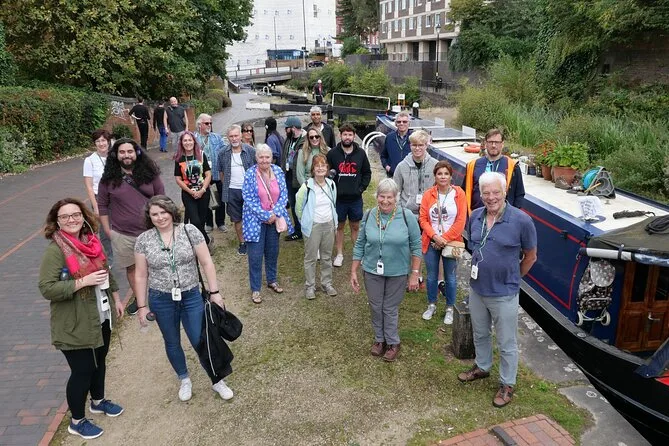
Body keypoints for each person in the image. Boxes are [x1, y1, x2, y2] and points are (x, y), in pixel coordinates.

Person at [38, 198, 124, 440]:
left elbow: (106, 272)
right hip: (74, 322)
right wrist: (82, 282)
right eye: (64, 216)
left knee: (99, 361)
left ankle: (98, 401)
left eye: (76, 214)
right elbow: (47, 288)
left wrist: (117, 298)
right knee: (82, 370)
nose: (71, 220)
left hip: (100, 314)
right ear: (57, 222)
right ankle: (77, 421)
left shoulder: (91, 241)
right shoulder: (56, 251)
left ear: (84, 216)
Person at [134, 196, 233, 402]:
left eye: (163, 212)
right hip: (161, 298)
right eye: (154, 214)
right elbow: (141, 275)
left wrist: (215, 292)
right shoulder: (143, 240)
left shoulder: (190, 231)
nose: (160, 217)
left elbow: (207, 262)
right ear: (149, 217)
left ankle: (216, 379)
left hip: (190, 296)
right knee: (172, 341)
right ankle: (184, 378)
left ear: (172, 212)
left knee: (200, 338)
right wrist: (142, 306)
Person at [457, 172, 537, 408]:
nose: (491, 197)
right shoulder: (476, 216)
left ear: (504, 192)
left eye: (496, 192)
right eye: (486, 193)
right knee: (480, 333)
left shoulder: (522, 221)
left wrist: (513, 277)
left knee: (506, 342)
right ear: (480, 195)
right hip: (477, 289)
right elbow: (474, 247)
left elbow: (531, 257)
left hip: (504, 293)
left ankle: (507, 383)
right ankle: (482, 367)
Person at [350, 179, 422, 362]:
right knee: (375, 306)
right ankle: (379, 339)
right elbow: (360, 243)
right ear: (377, 197)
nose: (385, 201)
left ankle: (393, 342)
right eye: (382, 196)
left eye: (389, 197)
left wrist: (415, 274)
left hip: (397, 272)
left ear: (396, 198)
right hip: (372, 270)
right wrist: (353, 271)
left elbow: (416, 246)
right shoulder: (369, 215)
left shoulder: (406, 217)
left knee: (389, 308)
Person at [98, 138, 165, 314]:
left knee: (156, 266)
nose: (126, 155)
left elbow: (161, 198)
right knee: (132, 268)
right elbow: (102, 205)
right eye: (122, 152)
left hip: (151, 231)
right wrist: (107, 230)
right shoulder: (108, 180)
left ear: (137, 153)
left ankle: (159, 298)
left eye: (130, 151)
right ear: (115, 155)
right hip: (123, 234)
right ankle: (141, 301)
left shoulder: (150, 173)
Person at [241, 144, 293, 304]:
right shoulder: (250, 174)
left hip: (274, 220)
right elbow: (248, 199)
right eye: (261, 157)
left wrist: (275, 213)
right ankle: (255, 289)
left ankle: (272, 280)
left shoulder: (278, 171)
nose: (264, 160)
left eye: (267, 157)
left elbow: (284, 195)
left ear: (272, 158)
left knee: (272, 252)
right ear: (256, 158)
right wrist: (266, 215)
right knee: (255, 256)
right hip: (255, 222)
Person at [418, 160, 467, 324]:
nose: (443, 176)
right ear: (435, 176)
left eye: (446, 173)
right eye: (439, 173)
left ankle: (449, 308)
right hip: (431, 242)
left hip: (451, 243)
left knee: (450, 277)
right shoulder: (428, 195)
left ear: (451, 176)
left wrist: (444, 239)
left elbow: (461, 221)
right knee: (431, 276)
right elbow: (423, 219)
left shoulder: (459, 194)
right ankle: (431, 304)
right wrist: (435, 237)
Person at [326, 123, 372, 267]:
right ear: (340, 135)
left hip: (355, 198)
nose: (347, 137)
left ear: (354, 136)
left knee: (355, 226)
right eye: (345, 134)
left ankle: (357, 254)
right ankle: (339, 254)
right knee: (339, 227)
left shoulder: (361, 153)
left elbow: (367, 173)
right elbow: (326, 173)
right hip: (338, 199)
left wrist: (361, 189)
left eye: (350, 135)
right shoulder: (332, 154)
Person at [295, 154, 338, 299]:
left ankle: (327, 283)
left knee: (327, 256)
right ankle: (310, 286)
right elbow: (298, 207)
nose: (320, 168)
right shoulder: (306, 186)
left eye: (323, 165)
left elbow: (333, 203)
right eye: (317, 166)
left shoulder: (331, 184)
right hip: (313, 226)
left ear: (327, 168)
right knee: (311, 257)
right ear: (313, 169)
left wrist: (334, 222)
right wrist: (305, 221)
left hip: (329, 224)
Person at [464, 128, 525, 214]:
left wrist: (512, 217)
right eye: (490, 142)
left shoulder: (513, 167)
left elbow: (519, 195)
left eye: (497, 142)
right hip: (477, 216)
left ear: (502, 144)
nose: (493, 145)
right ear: (485, 143)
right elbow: (464, 192)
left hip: (503, 217)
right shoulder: (472, 166)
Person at [217, 124, 256, 256]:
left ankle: (253, 239)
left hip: (249, 190)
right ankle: (242, 242)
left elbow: (257, 169)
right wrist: (227, 186)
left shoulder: (250, 150)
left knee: (252, 216)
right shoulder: (222, 153)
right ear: (228, 138)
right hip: (232, 190)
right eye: (231, 136)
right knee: (237, 218)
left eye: (236, 135)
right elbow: (221, 172)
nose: (234, 139)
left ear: (241, 136)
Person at [173, 131, 212, 247]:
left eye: (190, 140)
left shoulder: (201, 155)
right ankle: (207, 241)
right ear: (181, 143)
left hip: (203, 193)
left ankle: (200, 246)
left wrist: (202, 190)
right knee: (195, 221)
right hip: (188, 194)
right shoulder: (179, 158)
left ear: (194, 142)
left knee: (202, 220)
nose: (187, 142)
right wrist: (190, 191)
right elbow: (178, 179)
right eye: (185, 140)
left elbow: (208, 174)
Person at [83, 129, 113, 265]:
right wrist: (95, 206)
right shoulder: (90, 161)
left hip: (117, 197)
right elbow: (89, 186)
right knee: (105, 230)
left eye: (103, 140)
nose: (101, 144)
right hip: (100, 198)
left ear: (108, 141)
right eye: (98, 141)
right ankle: (109, 260)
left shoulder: (115, 157)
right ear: (94, 143)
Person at [393, 129, 438, 217]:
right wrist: (400, 211)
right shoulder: (401, 166)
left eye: (420, 145)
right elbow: (395, 191)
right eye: (414, 145)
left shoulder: (435, 165)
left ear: (426, 145)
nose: (417, 148)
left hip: (430, 213)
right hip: (407, 213)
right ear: (410, 146)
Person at [195, 114, 227, 233]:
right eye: (207, 123)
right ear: (200, 125)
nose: (209, 125)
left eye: (210, 123)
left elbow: (224, 152)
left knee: (220, 199)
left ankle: (220, 222)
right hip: (202, 175)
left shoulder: (216, 137)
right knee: (205, 199)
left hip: (217, 173)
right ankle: (208, 223)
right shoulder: (194, 138)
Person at [281, 116, 306, 241]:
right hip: (289, 175)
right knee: (293, 203)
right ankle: (298, 230)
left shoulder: (306, 141)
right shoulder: (289, 139)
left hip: (300, 177)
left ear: (293, 128)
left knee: (303, 204)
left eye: (287, 128)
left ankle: (305, 230)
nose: (285, 130)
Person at [380, 111, 412, 177]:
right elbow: (383, 156)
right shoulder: (389, 137)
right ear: (396, 123)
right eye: (399, 122)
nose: (401, 123)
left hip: (409, 176)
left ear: (409, 123)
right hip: (392, 175)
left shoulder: (413, 138)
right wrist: (387, 167)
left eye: (404, 122)